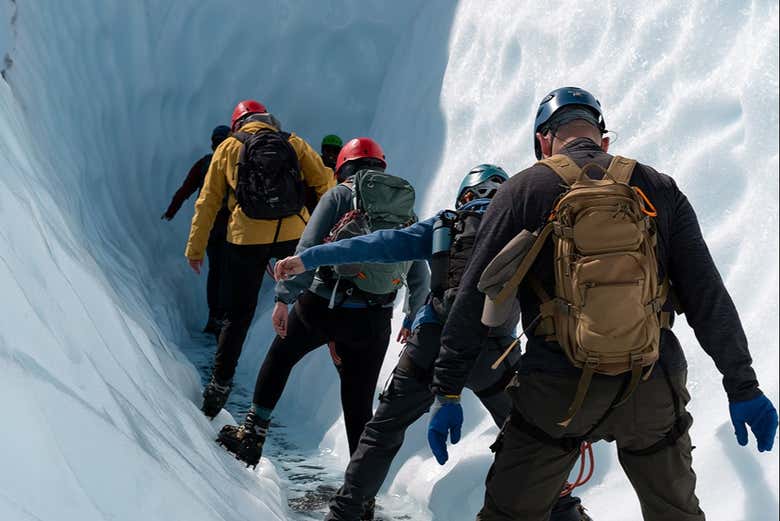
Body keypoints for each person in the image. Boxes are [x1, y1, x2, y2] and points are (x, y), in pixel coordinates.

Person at [428, 87, 779, 521]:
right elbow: (707, 295)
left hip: (556, 391)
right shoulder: (658, 187)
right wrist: (743, 386)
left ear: (543, 141)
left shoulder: (523, 190)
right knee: (676, 515)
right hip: (651, 382)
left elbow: (472, 299)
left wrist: (447, 389)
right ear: (603, 139)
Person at [274, 164, 591, 521]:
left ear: (463, 196)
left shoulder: (444, 227)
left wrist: (309, 258)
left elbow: (378, 244)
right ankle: (565, 512)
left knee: (383, 432)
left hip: (431, 346)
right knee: (533, 439)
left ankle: (346, 511)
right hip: (493, 354)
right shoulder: (522, 231)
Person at [216, 137, 430, 475]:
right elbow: (419, 271)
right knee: (359, 401)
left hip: (322, 306)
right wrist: (413, 315)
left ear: (343, 166)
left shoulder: (339, 195)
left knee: (280, 357)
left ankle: (251, 437)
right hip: (374, 318)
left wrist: (284, 297)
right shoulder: (403, 208)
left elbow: (308, 249)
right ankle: (361, 489)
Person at [185, 99, 335, 418]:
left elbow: (208, 201)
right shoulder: (292, 142)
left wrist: (195, 248)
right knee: (312, 294)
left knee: (238, 315)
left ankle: (219, 385)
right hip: (294, 232)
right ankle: (326, 350)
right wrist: (326, 230)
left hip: (246, 238)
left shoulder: (228, 147)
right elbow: (325, 183)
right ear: (269, 119)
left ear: (237, 124)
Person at [163, 125, 232, 335]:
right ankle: (226, 317)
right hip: (233, 226)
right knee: (230, 271)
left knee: (216, 270)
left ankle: (214, 317)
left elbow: (186, 189)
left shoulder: (204, 163)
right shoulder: (236, 161)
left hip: (210, 225)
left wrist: (171, 211)